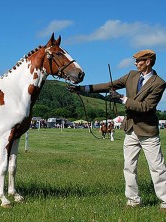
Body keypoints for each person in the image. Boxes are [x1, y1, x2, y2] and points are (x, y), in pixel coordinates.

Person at [69, 49, 166, 210]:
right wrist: (82, 89)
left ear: (148, 62)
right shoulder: (131, 75)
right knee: (129, 167)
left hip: (148, 132)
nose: (135, 63)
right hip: (130, 129)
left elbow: (146, 107)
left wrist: (122, 98)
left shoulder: (159, 83)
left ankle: (164, 201)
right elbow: (108, 86)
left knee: (157, 168)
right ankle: (133, 200)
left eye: (138, 61)